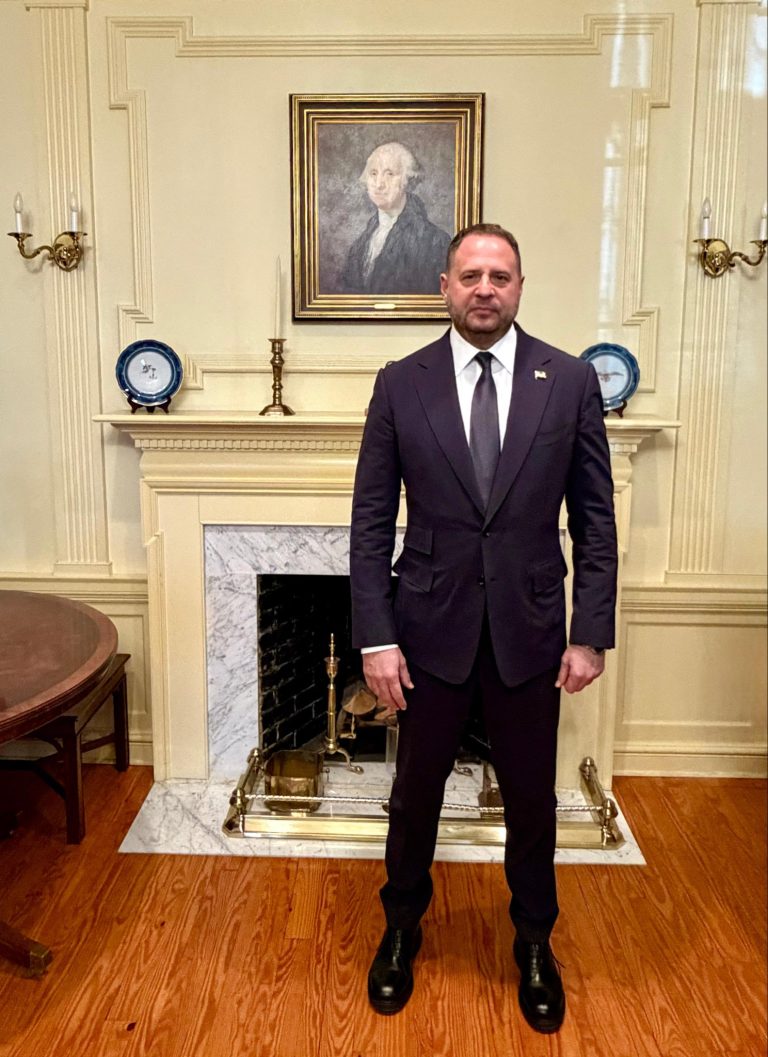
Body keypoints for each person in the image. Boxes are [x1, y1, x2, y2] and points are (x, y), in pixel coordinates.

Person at [349, 223, 617, 1034]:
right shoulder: (401, 383)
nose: (484, 288)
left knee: (532, 799)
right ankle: (400, 926)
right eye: (471, 274)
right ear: (445, 285)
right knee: (413, 796)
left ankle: (534, 942)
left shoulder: (568, 382)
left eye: (500, 274)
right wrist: (375, 636)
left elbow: (595, 521)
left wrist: (589, 630)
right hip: (426, 632)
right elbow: (369, 522)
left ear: (521, 286)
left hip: (532, 632)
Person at [341, 141, 451, 295]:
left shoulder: (435, 241)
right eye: (373, 173)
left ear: (407, 179)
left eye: (390, 174)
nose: (379, 184)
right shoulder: (360, 244)